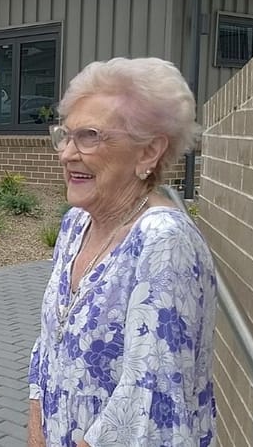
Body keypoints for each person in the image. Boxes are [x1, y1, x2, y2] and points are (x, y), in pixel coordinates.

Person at [27, 57, 216, 447]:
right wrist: (36, 424)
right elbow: (50, 342)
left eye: (90, 136)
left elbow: (149, 401)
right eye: (65, 135)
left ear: (149, 153)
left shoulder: (163, 241)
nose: (66, 154)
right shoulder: (76, 223)